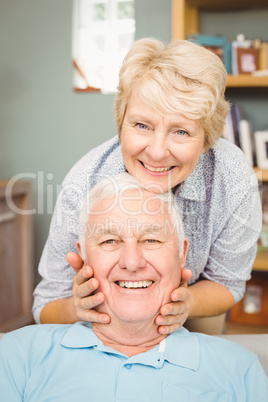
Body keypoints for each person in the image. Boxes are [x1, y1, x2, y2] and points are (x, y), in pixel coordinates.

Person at [33, 38, 262, 334]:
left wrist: (187, 302)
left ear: (207, 139)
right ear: (121, 124)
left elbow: (227, 282)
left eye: (181, 131)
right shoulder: (85, 183)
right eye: (142, 126)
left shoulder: (231, 176)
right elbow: (45, 306)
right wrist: (75, 307)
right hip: (105, 318)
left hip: (196, 298)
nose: (156, 152)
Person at [1, 173, 267, 401]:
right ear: (82, 257)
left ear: (182, 254)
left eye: (151, 239)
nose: (131, 262)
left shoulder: (239, 370)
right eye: (109, 241)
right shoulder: (15, 356)